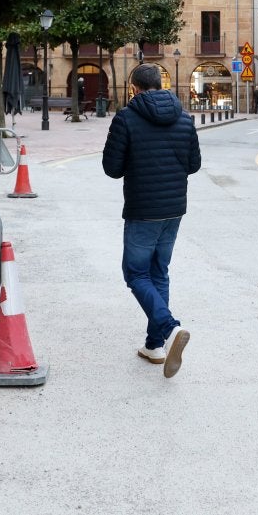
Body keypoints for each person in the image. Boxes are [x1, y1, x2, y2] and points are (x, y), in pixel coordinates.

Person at [101, 63, 201, 378]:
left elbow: (112, 168)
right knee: (159, 272)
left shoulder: (126, 118)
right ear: (161, 85)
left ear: (133, 88)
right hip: (174, 209)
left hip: (143, 208)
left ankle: (170, 329)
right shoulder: (184, 118)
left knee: (135, 273)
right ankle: (155, 345)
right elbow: (194, 164)